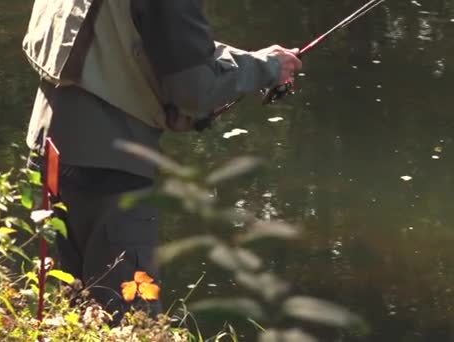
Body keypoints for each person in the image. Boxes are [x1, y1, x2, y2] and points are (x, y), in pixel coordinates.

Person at [22, 0, 302, 320]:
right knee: (130, 319)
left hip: (46, 154)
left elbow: (129, 40)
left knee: (67, 313)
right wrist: (265, 69)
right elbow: (194, 90)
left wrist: (251, 61)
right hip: (111, 173)